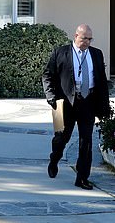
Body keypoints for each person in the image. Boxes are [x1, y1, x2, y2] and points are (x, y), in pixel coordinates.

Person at [42, 24, 110, 190]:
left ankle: (82, 177)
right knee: (61, 138)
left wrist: (104, 105)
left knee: (86, 141)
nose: (87, 42)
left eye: (89, 39)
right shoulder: (61, 52)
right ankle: (54, 159)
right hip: (64, 103)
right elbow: (47, 75)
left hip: (88, 102)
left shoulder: (96, 54)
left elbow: (101, 81)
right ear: (76, 36)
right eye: (84, 38)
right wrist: (51, 97)